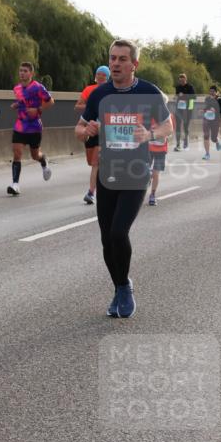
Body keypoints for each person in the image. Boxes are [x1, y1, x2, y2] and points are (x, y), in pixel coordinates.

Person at [75, 39, 172, 318]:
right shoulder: (99, 94)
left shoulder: (148, 92)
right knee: (107, 239)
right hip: (109, 171)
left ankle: (125, 288)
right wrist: (88, 130)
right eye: (112, 58)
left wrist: (149, 134)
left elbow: (168, 125)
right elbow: (79, 129)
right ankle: (119, 286)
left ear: (134, 64)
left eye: (121, 59)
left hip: (136, 171)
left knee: (119, 232)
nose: (116, 64)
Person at [7, 63, 54, 196]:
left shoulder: (38, 87)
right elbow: (23, 101)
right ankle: (15, 185)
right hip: (20, 125)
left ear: (31, 73)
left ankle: (43, 160)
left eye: (25, 71)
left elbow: (50, 101)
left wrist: (38, 109)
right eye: (20, 70)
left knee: (35, 155)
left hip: (34, 127)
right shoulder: (16, 88)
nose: (22, 73)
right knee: (17, 154)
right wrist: (17, 105)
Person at [75, 66, 110, 205]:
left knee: (96, 162)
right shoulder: (89, 90)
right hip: (90, 129)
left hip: (106, 130)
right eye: (98, 74)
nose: (100, 76)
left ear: (107, 77)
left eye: (103, 74)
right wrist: (91, 105)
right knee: (92, 162)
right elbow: (78, 106)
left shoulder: (111, 90)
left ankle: (91, 192)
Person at [148, 114, 173, 205]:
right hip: (148, 148)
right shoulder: (147, 115)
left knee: (156, 173)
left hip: (161, 149)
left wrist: (162, 132)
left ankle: (152, 195)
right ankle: (148, 177)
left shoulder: (167, 116)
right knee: (146, 172)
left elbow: (170, 131)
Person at [201, 85, 221, 159]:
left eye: (213, 91)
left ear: (216, 92)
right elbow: (207, 107)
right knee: (206, 135)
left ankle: (217, 141)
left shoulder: (219, 100)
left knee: (213, 138)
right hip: (206, 119)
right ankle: (207, 154)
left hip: (215, 120)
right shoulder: (207, 99)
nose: (211, 93)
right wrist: (203, 110)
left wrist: (216, 110)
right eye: (210, 91)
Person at [173, 73, 195, 151]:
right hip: (179, 109)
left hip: (188, 109)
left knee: (186, 126)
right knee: (178, 126)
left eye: (183, 81)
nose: (181, 82)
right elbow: (177, 95)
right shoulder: (178, 87)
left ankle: (186, 141)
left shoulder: (190, 87)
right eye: (180, 81)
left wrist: (184, 95)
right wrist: (175, 97)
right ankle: (178, 144)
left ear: (185, 80)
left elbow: (194, 97)